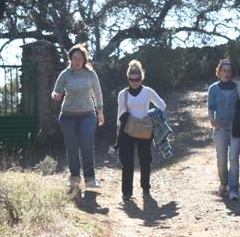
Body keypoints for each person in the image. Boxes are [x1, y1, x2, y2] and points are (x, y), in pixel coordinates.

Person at [52, 43, 104, 196]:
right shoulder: (65, 74)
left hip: (88, 114)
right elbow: (56, 90)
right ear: (70, 59)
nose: (77, 61)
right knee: (72, 147)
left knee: (86, 144)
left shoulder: (91, 74)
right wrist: (56, 95)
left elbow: (98, 93)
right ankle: (74, 177)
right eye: (75, 58)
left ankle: (90, 178)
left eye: (80, 58)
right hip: (68, 115)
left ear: (84, 60)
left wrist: (100, 112)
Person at [116, 60, 166, 202]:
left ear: (141, 78)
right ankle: (126, 192)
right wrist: (117, 135)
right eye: (131, 79)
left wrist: (151, 117)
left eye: (137, 79)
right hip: (127, 130)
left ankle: (145, 188)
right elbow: (120, 114)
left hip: (144, 130)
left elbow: (162, 105)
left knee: (145, 160)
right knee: (127, 162)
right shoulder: (123, 94)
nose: (134, 82)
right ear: (128, 78)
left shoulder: (148, 91)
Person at [207, 59, 240, 201]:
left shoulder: (238, 87)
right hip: (220, 129)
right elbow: (211, 107)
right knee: (222, 161)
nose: (227, 73)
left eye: (229, 71)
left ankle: (233, 190)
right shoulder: (213, 89)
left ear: (232, 73)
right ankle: (223, 183)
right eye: (224, 70)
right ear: (219, 72)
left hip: (236, 128)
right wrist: (211, 119)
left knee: (234, 158)